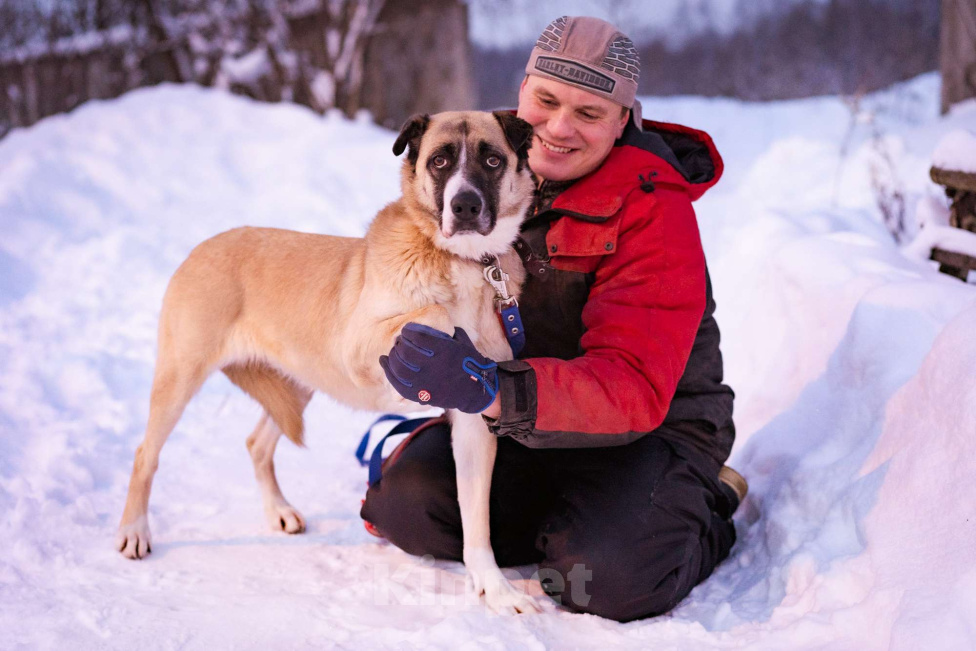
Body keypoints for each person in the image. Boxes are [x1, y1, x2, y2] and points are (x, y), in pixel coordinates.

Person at [362, 15, 745, 622]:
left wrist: (490, 390)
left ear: (623, 121)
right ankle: (574, 521)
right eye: (546, 101)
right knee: (407, 507)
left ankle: (702, 505)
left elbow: (633, 386)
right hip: (529, 422)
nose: (559, 128)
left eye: (589, 113)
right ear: (523, 92)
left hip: (650, 430)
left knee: (604, 580)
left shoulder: (653, 209)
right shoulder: (482, 158)